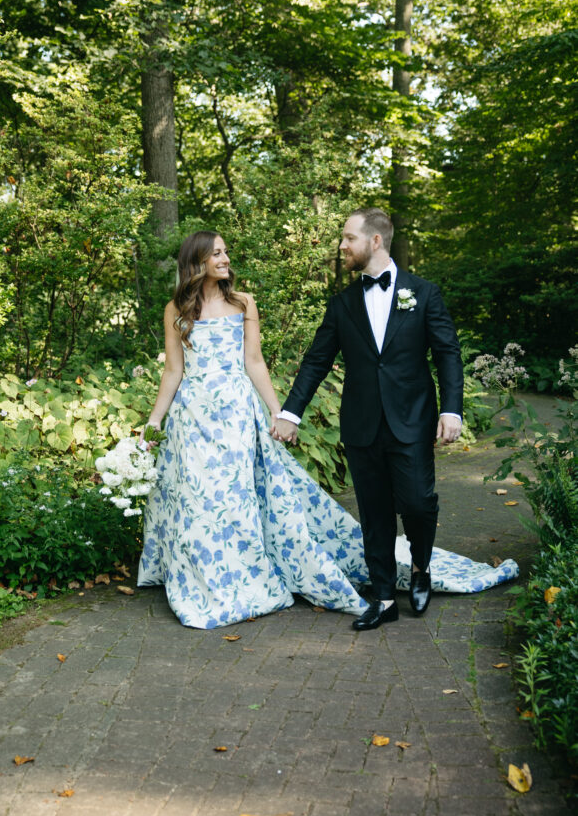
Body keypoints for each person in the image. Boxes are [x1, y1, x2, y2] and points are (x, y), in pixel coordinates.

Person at [137, 229, 518, 630]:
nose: (226, 258)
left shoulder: (243, 303)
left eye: (225, 251)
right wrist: (155, 420)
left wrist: (278, 412)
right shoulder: (176, 309)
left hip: (241, 415)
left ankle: (415, 567)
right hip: (193, 418)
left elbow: (254, 362)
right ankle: (214, 582)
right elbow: (174, 370)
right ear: (197, 260)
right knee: (200, 502)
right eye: (217, 253)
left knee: (241, 501)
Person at [273, 207, 466, 631]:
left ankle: (420, 567)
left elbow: (447, 354)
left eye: (349, 238)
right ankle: (383, 598)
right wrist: (290, 413)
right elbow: (316, 361)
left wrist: (452, 409)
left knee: (417, 502)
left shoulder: (423, 293)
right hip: (362, 424)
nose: (342, 245)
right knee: (374, 514)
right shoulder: (342, 304)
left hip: (411, 419)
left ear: (375, 241)